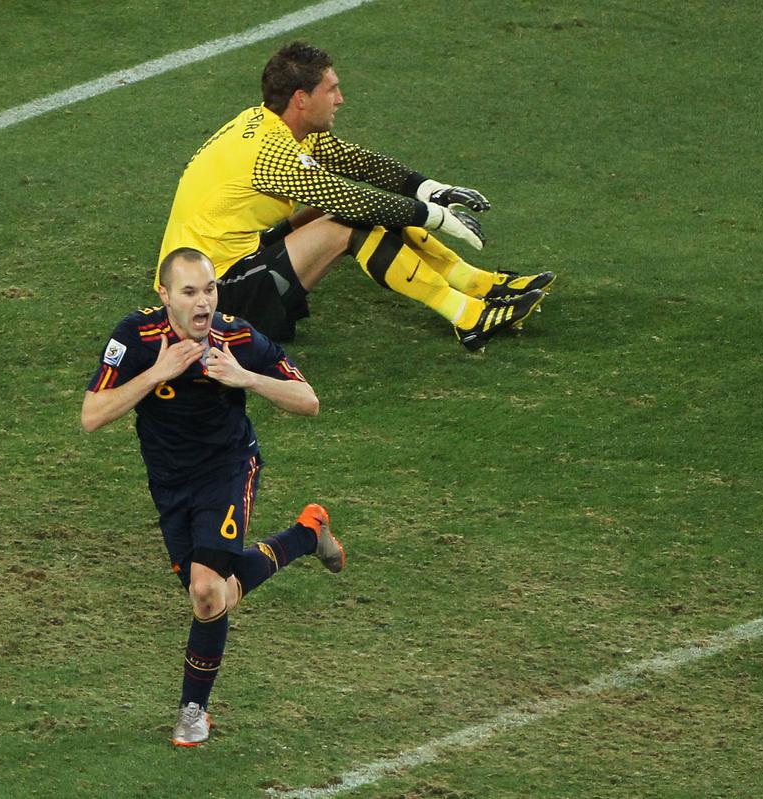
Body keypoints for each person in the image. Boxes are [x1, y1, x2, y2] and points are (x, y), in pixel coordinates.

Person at [82, 247, 346, 747]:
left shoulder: (238, 337)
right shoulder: (134, 337)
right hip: (169, 486)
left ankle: (193, 711)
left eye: (210, 289)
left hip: (227, 472)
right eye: (189, 292)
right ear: (163, 295)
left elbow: (308, 402)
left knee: (206, 592)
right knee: (216, 595)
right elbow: (92, 415)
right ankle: (306, 535)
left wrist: (245, 377)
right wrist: (156, 374)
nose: (203, 303)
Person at [157, 41, 555, 350]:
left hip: (229, 266)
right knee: (348, 222)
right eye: (331, 89)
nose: (340, 98)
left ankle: (478, 284)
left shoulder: (269, 124)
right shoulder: (268, 153)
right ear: (301, 98)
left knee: (347, 209)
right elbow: (350, 200)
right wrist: (437, 217)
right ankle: (469, 317)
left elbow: (357, 163)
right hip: (212, 299)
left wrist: (430, 189)